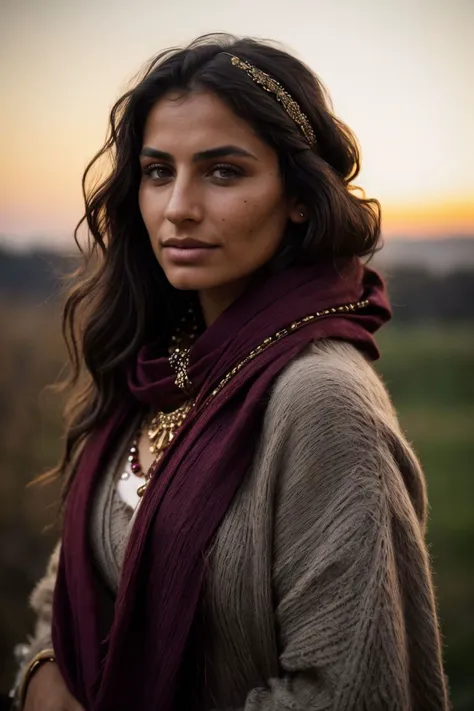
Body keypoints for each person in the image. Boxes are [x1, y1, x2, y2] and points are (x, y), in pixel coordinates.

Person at [13, 33, 450, 711]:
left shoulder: (322, 401)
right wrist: (44, 671)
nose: (178, 207)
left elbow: (349, 690)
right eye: (159, 171)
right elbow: (71, 588)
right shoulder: (160, 365)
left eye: (223, 171)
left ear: (299, 195)